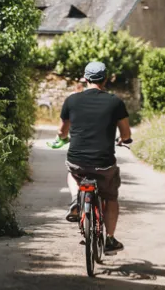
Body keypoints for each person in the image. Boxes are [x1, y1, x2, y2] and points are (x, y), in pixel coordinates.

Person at [56, 61, 131, 254]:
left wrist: (61, 138)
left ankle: (75, 200)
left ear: (85, 78)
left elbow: (62, 132)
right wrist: (124, 140)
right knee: (111, 196)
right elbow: (125, 134)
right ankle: (110, 239)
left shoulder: (71, 101)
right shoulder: (115, 102)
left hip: (77, 161)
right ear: (105, 79)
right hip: (104, 164)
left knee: (72, 173)